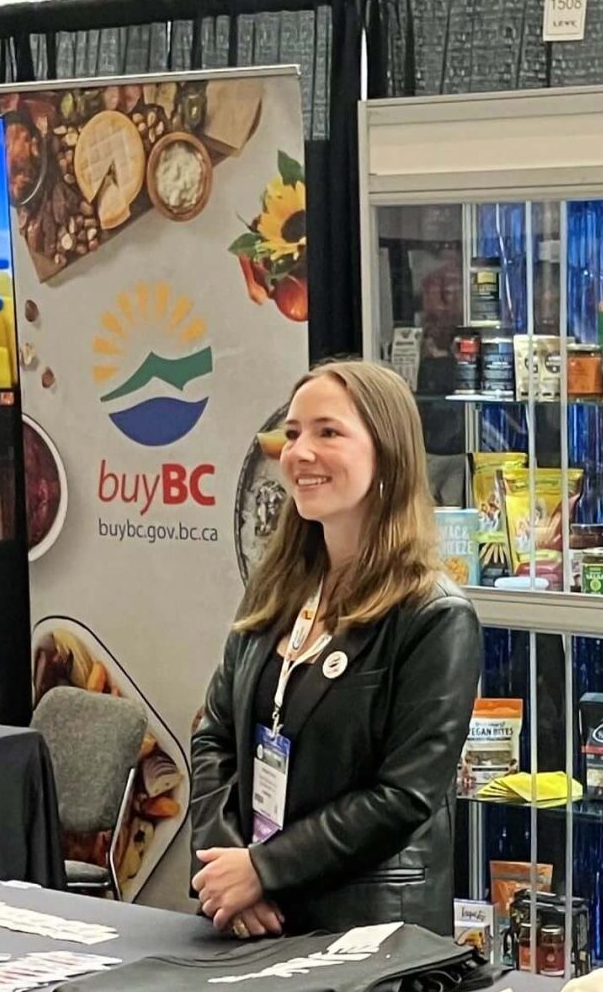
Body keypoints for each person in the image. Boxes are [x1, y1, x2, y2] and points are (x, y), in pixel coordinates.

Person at [188, 359, 481, 937]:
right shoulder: (276, 589)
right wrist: (228, 869)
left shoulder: (434, 617)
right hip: (251, 919)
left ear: (388, 454)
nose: (300, 452)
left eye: (329, 432)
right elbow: (214, 734)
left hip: (364, 937)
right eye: (293, 433)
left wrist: (265, 870)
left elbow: (402, 796)